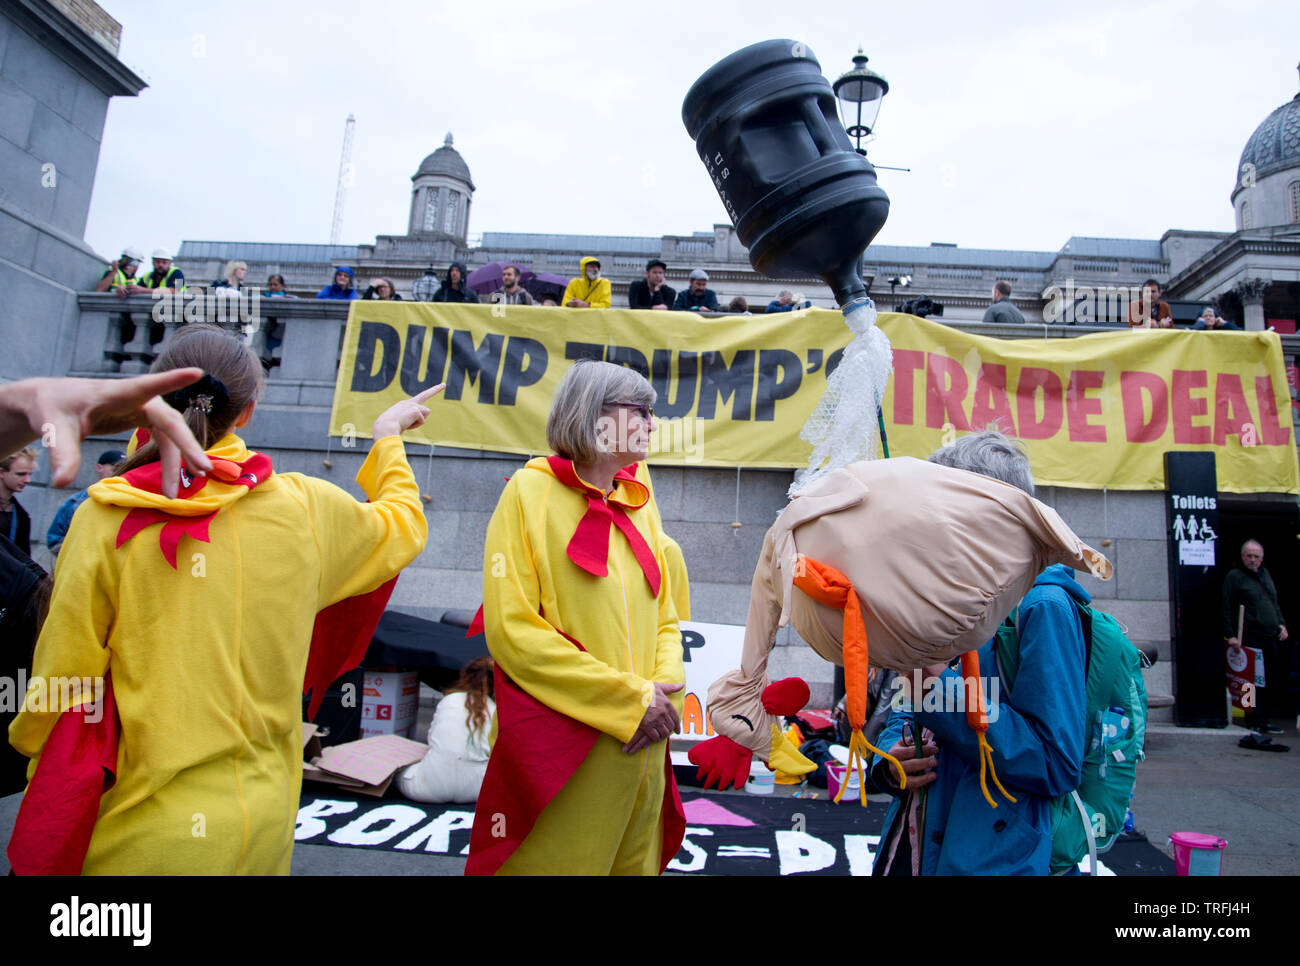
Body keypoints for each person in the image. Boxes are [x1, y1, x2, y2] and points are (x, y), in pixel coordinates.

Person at [9, 325, 435, 875]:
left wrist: (33, 759)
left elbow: (62, 682)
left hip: (137, 833)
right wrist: (388, 436)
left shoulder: (102, 519)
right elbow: (402, 523)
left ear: (147, 399)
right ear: (249, 411)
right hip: (261, 827)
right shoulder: (305, 509)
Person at [466, 359, 685, 875]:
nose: (653, 423)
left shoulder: (640, 499)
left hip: (647, 753)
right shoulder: (526, 494)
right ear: (596, 415)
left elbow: (668, 617)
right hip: (568, 758)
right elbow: (513, 631)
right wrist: (630, 701)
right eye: (643, 410)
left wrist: (664, 691)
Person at [870, 431, 1086, 875]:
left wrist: (939, 686)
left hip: (989, 857)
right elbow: (904, 710)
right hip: (912, 845)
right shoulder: (946, 594)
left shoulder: (1042, 607)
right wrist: (890, 762)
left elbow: (1056, 763)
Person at [0, 370, 211, 496]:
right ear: (244, 413)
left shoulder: (97, 505)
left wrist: (19, 408)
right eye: (21, 474)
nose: (26, 480)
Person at [398, 657, 495, 803]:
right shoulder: (496, 709)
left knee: (398, 771)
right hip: (476, 790)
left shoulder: (449, 700)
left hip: (428, 788)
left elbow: (431, 739)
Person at [1225, 539, 1289, 747]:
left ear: (1261, 558)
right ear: (1242, 556)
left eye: (1256, 556)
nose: (1252, 560)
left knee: (1266, 679)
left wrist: (1281, 624)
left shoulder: (1265, 575)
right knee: (1248, 681)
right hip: (1249, 635)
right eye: (1249, 556)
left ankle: (1264, 719)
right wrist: (1231, 634)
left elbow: (1273, 602)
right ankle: (1252, 719)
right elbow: (1225, 605)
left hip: (1269, 634)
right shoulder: (1235, 577)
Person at [44, 449, 125, 556]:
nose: (121, 472)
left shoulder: (128, 502)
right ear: (99, 468)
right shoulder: (76, 502)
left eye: (126, 468)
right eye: (116, 467)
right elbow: (54, 540)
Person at [0, 447, 37, 556]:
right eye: (21, 474)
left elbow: (23, 557)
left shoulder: (22, 517)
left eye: (29, 474)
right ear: (1, 472)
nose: (27, 480)